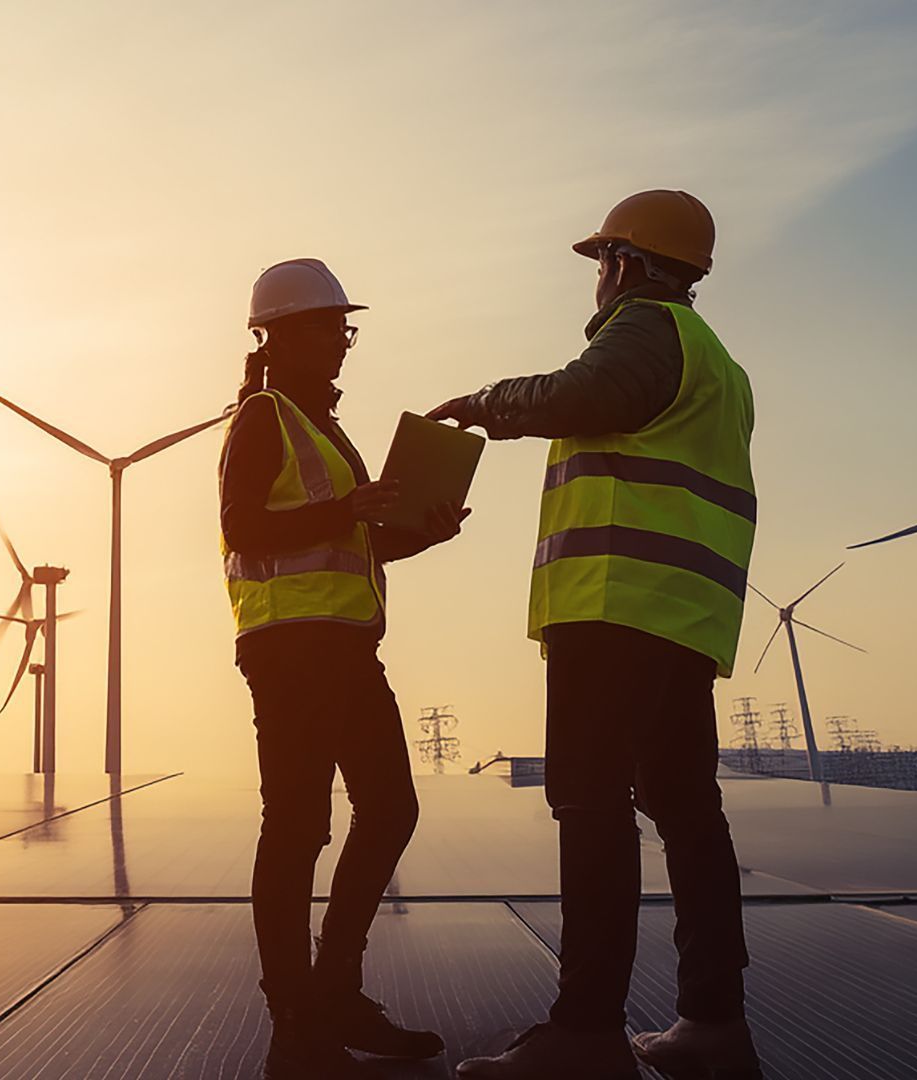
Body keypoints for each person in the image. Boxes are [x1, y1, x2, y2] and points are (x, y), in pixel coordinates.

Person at [430, 192, 762, 1080]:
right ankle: (714, 1026)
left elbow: (590, 392)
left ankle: (585, 1033)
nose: (600, 278)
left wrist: (490, 401)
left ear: (629, 261)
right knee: (688, 813)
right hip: (683, 617)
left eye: (604, 259)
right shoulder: (719, 363)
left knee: (590, 803)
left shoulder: (645, 330)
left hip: (617, 606)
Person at [220, 258, 469, 1079]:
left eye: (344, 327)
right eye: (329, 326)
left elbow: (348, 541)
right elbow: (244, 529)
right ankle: (297, 1031)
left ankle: (335, 992)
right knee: (297, 829)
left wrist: (421, 532)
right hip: (289, 651)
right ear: (280, 335)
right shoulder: (261, 417)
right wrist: (347, 509)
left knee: (389, 808)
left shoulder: (323, 429)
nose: (342, 342)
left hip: (346, 647)